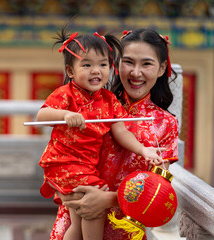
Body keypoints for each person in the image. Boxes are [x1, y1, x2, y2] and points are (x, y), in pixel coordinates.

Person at [49, 28, 179, 240]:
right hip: (77, 219)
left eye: (146, 64)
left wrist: (108, 200)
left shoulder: (165, 124)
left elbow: (157, 191)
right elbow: (62, 155)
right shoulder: (90, 105)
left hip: (125, 229)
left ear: (162, 68)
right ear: (117, 65)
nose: (136, 73)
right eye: (128, 62)